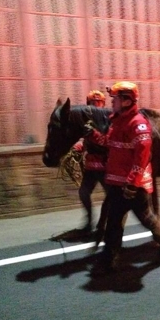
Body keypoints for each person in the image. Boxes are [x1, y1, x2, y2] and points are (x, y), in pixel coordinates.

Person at [84, 81, 160, 274]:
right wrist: (92, 135)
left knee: (147, 218)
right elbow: (109, 142)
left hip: (135, 186)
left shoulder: (139, 125)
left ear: (126, 101)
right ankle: (110, 257)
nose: (112, 102)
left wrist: (132, 184)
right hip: (117, 183)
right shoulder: (117, 121)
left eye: (115, 99)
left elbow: (141, 159)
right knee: (113, 222)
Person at [69, 90, 108, 238]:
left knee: (110, 197)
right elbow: (86, 141)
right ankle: (89, 222)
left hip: (106, 165)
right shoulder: (87, 121)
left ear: (103, 104)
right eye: (93, 103)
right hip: (91, 166)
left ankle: (104, 226)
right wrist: (79, 147)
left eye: (98, 103)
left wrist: (94, 135)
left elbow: (109, 141)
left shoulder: (109, 119)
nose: (95, 105)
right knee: (84, 193)